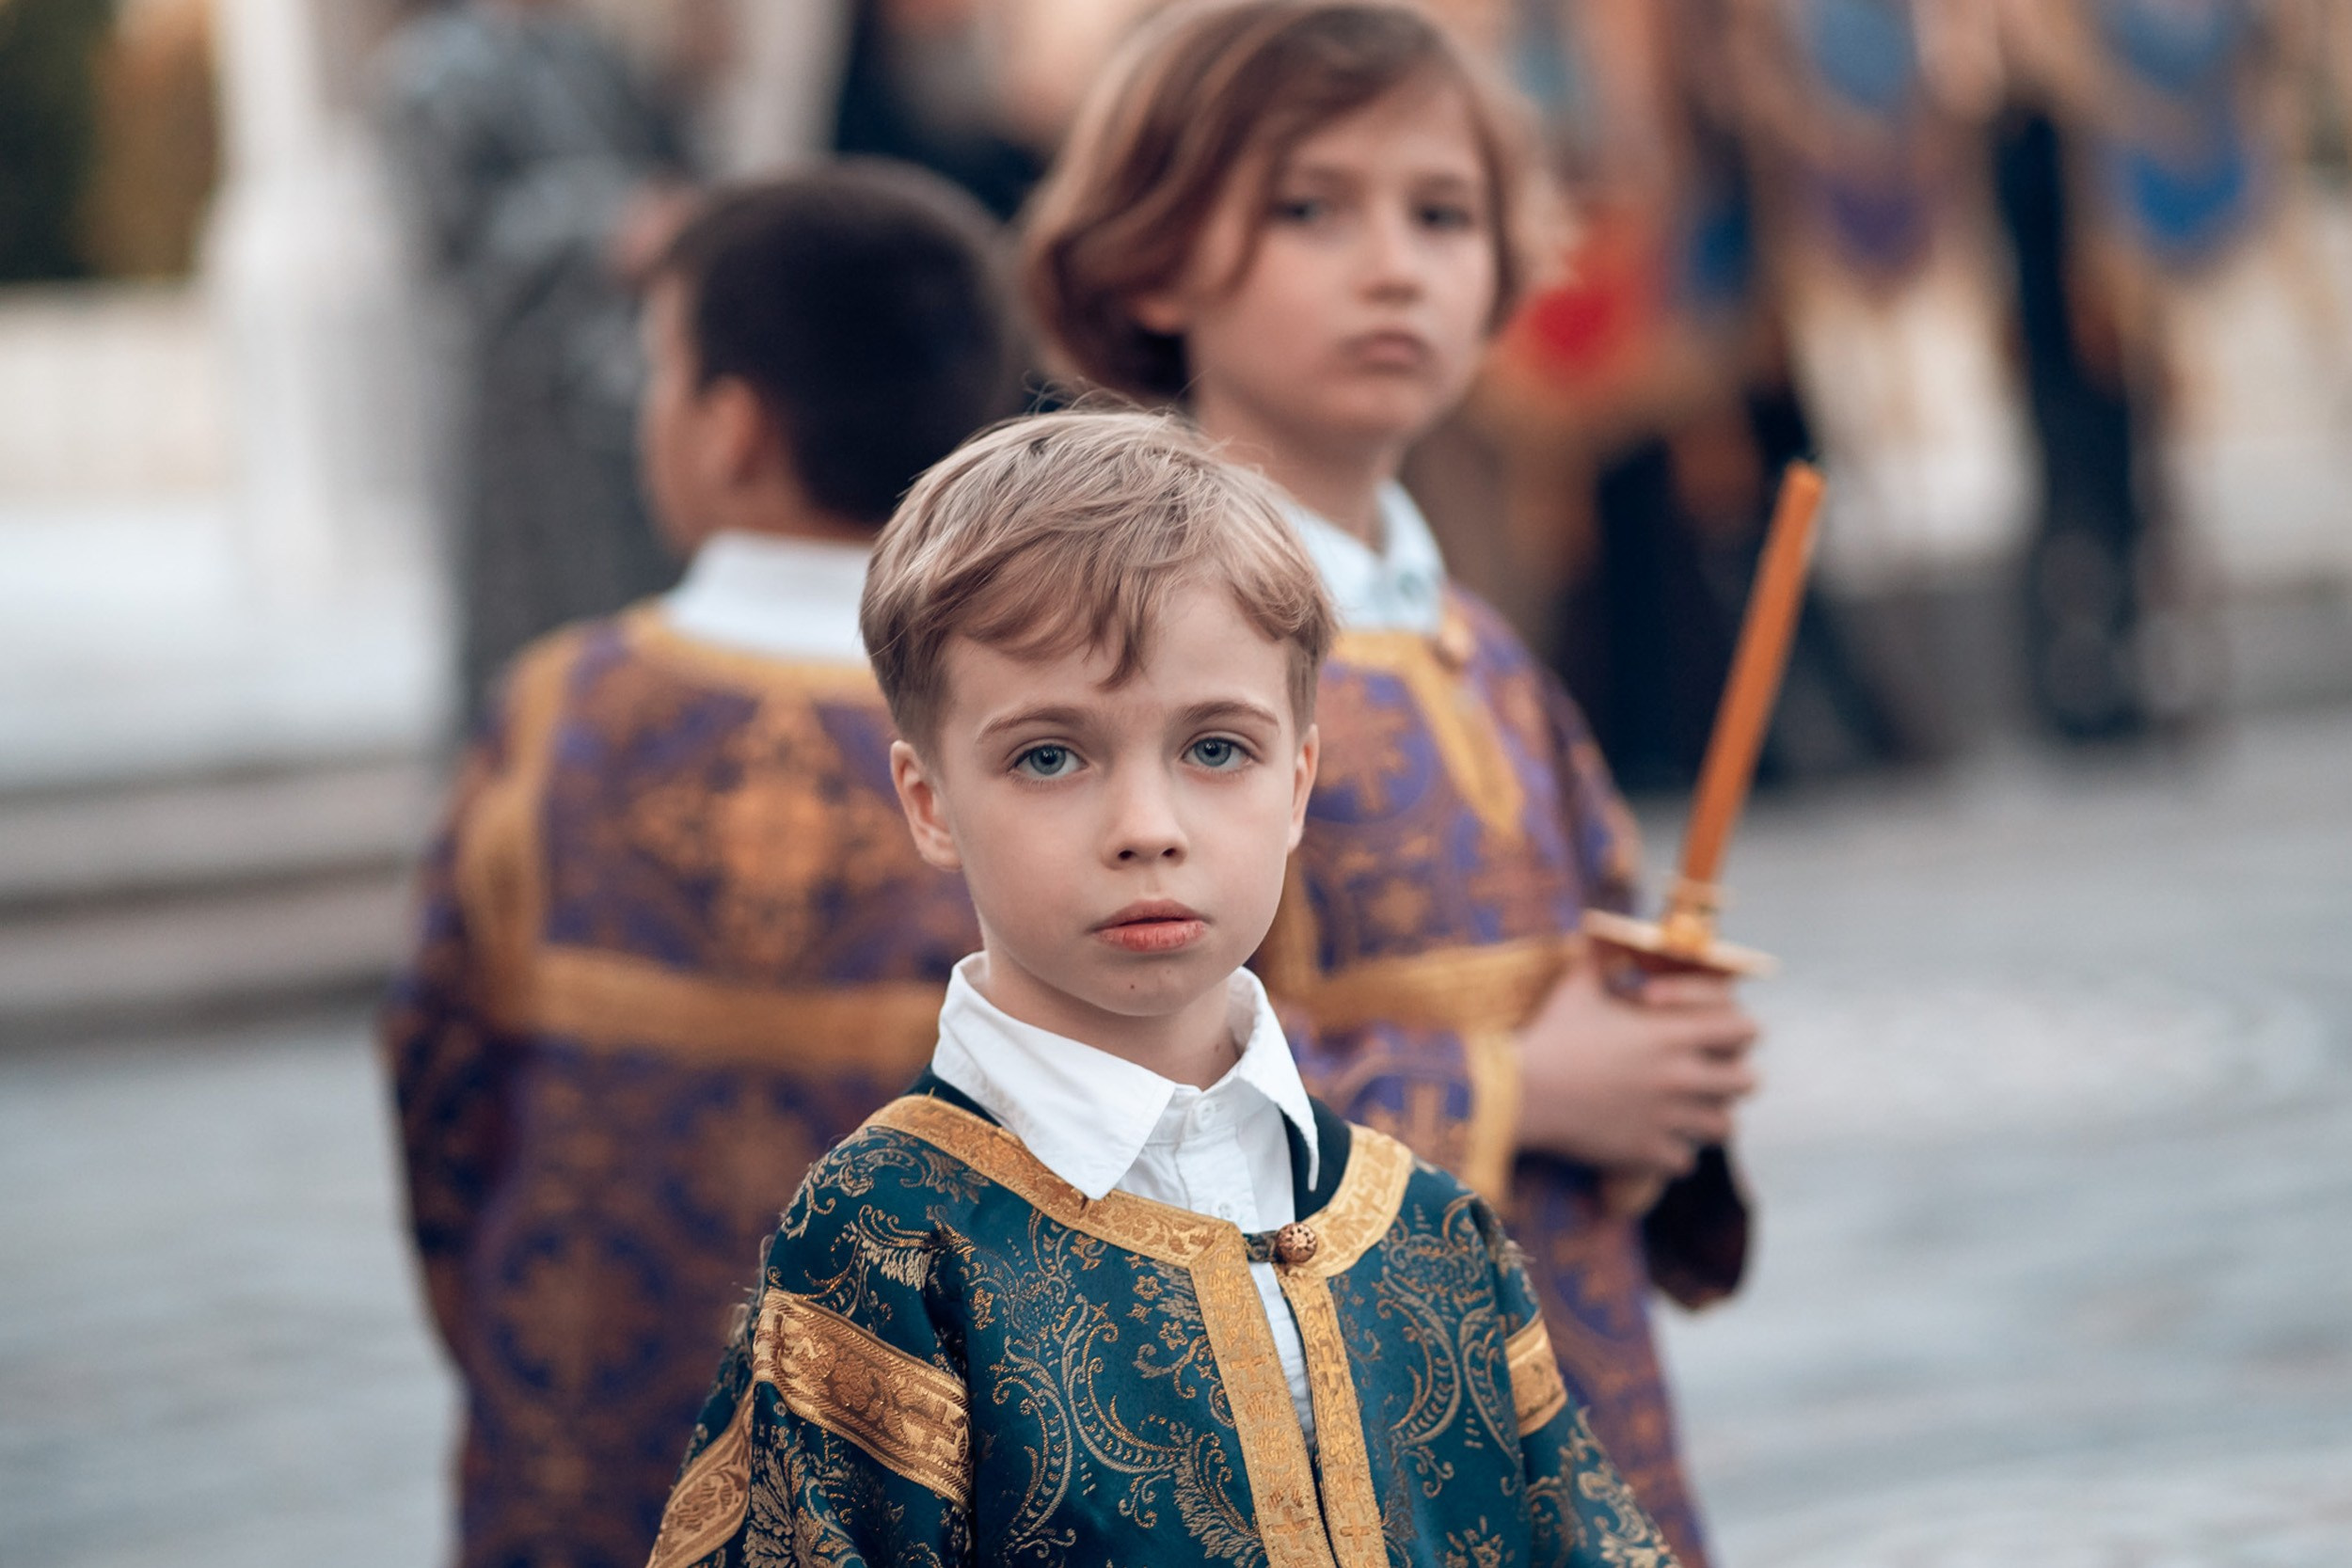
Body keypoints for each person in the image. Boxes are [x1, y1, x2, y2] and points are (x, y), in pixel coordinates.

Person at [644, 408, 1683, 1567]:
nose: (1147, 827)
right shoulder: (885, 1240)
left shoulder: (1430, 1228)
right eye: (1049, 755)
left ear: (1298, 781)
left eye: (1215, 748)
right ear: (928, 801)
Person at [1021, 6, 1757, 1561]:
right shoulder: (1130, 642)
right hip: (1299, 1418)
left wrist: (1664, 1066)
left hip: (1563, 1351)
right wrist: (1523, 1089)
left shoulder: (1477, 643)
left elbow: (1593, 959)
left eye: (1443, 214)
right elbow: (1112, 1065)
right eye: (1312, 210)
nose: (1393, 266)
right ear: (1152, 261)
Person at [380, 164, 1020, 1568]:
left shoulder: (559, 714)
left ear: (730, 429)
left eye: (660, 367)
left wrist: (501, 1342)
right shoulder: (1025, 735)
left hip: (598, 1452)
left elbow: (439, 1072)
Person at [377, 0, 698, 724]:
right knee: (522, 648)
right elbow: (452, 245)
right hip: (511, 416)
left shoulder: (596, 58)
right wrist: (605, 227)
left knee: (625, 633)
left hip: (622, 393)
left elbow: (670, 169)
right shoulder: (433, 74)